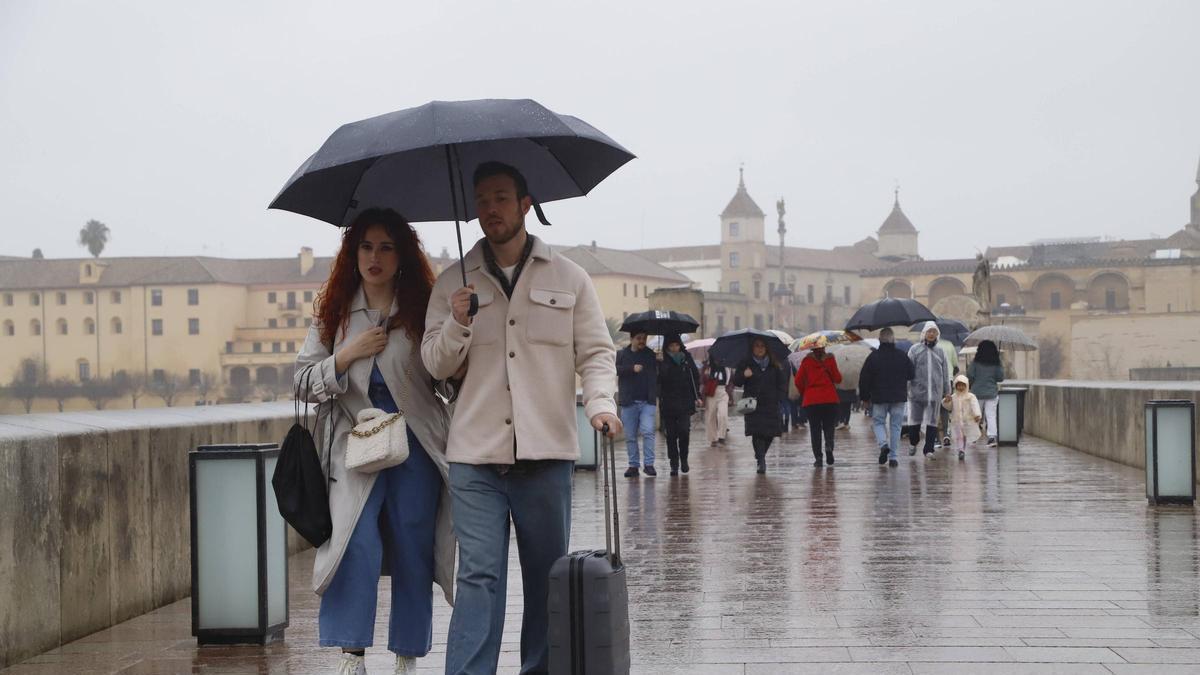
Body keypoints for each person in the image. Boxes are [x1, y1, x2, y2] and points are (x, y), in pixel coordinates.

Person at [421, 161, 621, 675]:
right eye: (483, 200)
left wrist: (601, 404)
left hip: (546, 453)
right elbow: (433, 364)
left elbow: (596, 352)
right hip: (475, 456)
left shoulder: (569, 277)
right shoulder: (452, 283)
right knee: (478, 578)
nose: (491, 209)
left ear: (525, 204)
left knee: (545, 579)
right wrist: (458, 322)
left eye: (501, 198)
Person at [294, 208, 456, 675]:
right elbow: (302, 382)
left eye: (386, 247)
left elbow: (445, 380)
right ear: (353, 254)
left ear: (402, 255)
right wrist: (345, 356)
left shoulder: (423, 310)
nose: (375, 257)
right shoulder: (334, 314)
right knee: (355, 542)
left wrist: (456, 340)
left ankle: (407, 654)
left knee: (413, 545)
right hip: (355, 448)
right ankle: (352, 654)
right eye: (366, 246)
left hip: (416, 444)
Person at [859, 327, 916, 467]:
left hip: (879, 397)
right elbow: (911, 374)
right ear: (893, 340)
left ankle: (883, 444)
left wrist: (865, 397)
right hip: (898, 396)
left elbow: (864, 379)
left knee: (878, 422)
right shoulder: (902, 356)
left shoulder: (873, 357)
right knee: (895, 426)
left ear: (880, 340)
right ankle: (893, 457)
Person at [732, 337, 788, 474]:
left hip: (770, 404)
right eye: (757, 346)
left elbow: (782, 383)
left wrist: (779, 397)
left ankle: (760, 454)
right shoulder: (746, 363)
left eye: (762, 346)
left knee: (769, 434)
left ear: (766, 348)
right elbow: (737, 381)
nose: (760, 348)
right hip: (753, 404)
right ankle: (761, 461)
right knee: (757, 432)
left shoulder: (774, 364)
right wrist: (744, 375)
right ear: (752, 348)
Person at [794, 336, 843, 467]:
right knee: (829, 427)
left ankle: (818, 458)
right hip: (830, 399)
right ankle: (829, 446)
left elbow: (798, 381)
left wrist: (805, 392)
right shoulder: (830, 359)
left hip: (812, 401)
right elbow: (838, 379)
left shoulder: (806, 361)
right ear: (824, 346)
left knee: (815, 430)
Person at [658, 334, 702, 476]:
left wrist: (697, 396)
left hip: (685, 401)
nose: (674, 348)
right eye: (671, 346)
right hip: (668, 403)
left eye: (676, 345)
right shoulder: (662, 360)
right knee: (671, 435)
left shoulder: (686, 358)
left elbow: (695, 378)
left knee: (684, 431)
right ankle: (674, 463)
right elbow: (659, 380)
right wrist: (661, 364)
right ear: (667, 347)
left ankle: (684, 459)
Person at [616, 331, 659, 477]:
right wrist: (631, 368)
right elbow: (614, 369)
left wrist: (661, 361)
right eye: (639, 338)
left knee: (648, 431)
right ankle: (633, 465)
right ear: (631, 339)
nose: (642, 341)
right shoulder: (622, 354)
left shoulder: (651, 355)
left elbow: (658, 374)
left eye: (644, 338)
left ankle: (649, 464)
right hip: (628, 402)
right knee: (630, 436)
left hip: (647, 401)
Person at [907, 321, 952, 458]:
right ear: (924, 333)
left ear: (937, 334)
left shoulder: (940, 352)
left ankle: (929, 449)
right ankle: (913, 442)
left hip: (935, 393)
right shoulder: (914, 350)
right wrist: (907, 388)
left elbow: (945, 373)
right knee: (915, 422)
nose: (931, 334)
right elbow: (908, 371)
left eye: (934, 332)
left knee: (932, 422)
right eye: (929, 331)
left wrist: (947, 391)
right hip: (917, 393)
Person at [967, 339, 1005, 447]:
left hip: (977, 393)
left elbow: (970, 375)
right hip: (991, 393)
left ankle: (973, 437)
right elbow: (1000, 378)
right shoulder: (996, 363)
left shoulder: (975, 362)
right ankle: (992, 437)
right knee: (991, 415)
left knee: (975, 415)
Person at [943, 374, 982, 460]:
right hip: (956, 421)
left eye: (962, 385)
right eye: (959, 385)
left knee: (964, 436)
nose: (960, 387)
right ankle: (960, 450)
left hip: (967, 421)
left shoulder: (970, 396)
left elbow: (975, 405)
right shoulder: (953, 397)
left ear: (966, 385)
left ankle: (962, 450)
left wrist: (977, 414)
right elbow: (949, 407)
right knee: (959, 436)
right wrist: (946, 401)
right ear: (955, 386)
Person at [935, 332, 961, 447]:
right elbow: (955, 365)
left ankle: (936, 438)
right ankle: (946, 434)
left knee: (934, 409)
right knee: (945, 408)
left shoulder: (929, 346)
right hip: (948, 380)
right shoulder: (949, 344)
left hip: (934, 381)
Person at [702, 355, 731, 446]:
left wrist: (730, 395)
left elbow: (730, 382)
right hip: (711, 393)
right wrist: (706, 375)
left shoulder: (727, 367)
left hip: (722, 392)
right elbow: (702, 381)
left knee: (723, 414)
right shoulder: (708, 367)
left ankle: (722, 436)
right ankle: (713, 439)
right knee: (710, 416)